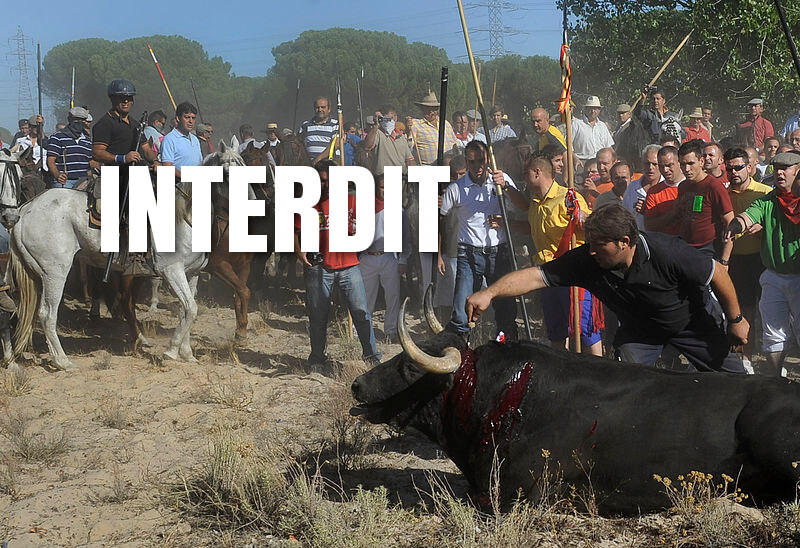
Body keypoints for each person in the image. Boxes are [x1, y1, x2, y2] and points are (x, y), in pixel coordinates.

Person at [467, 204, 749, 373]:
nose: (591, 251)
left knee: (735, 382)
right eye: (590, 244)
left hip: (691, 323)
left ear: (624, 242)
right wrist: (489, 292)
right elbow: (536, 276)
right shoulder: (588, 259)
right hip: (640, 332)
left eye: (599, 245)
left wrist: (736, 320)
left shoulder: (668, 251)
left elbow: (718, 274)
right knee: (628, 387)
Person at [293, 159, 380, 372]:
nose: (327, 185)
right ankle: (316, 358)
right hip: (319, 267)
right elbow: (293, 230)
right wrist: (299, 252)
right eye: (322, 181)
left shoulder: (351, 200)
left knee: (361, 312)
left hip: (349, 266)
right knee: (318, 315)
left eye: (330, 180)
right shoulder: (308, 204)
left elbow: (367, 228)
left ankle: (371, 355)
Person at [726, 151, 800, 377]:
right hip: (773, 276)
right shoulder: (768, 200)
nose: (779, 172)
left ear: (798, 172)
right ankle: (776, 381)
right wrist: (737, 224)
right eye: (776, 167)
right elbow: (749, 215)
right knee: (772, 334)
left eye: (785, 168)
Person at [521, 154, 602, 354]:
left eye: (526, 173)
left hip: (573, 274)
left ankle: (599, 371)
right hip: (547, 275)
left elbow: (594, 226)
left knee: (585, 330)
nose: (524, 177)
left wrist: (580, 215)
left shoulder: (569, 197)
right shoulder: (534, 203)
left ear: (537, 172)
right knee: (556, 330)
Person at [439, 140, 518, 339]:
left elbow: (522, 206)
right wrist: (439, 253)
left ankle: (506, 348)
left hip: (499, 251)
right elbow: (441, 218)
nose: (478, 166)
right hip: (468, 253)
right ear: (466, 162)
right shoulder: (457, 188)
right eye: (472, 162)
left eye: (482, 160)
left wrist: (506, 187)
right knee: (461, 308)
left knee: (505, 307)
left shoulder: (500, 179)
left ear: (489, 159)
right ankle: (459, 351)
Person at [723, 147, 772, 369]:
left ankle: (773, 359)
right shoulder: (724, 193)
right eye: (729, 168)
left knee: (769, 310)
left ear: (750, 168)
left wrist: (763, 226)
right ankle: (745, 358)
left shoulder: (765, 192)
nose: (734, 172)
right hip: (735, 260)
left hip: (762, 259)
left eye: (738, 167)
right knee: (743, 311)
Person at [360, 173, 410, 343]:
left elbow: (405, 237)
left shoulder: (398, 210)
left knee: (393, 295)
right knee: (366, 296)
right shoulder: (365, 207)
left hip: (389, 257)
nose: (385, 191)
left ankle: (390, 330)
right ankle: (362, 330)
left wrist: (403, 259)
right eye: (382, 187)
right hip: (367, 258)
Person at [674, 140, 735, 261]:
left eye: (691, 163)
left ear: (701, 161)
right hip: (686, 247)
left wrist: (724, 260)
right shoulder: (683, 186)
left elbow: (730, 222)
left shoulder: (714, 186)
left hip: (709, 249)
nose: (686, 169)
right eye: (682, 164)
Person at [45, 107, 93, 189]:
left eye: (82, 120)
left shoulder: (88, 141)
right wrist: (58, 175)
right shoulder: (57, 137)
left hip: (84, 181)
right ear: (69, 119)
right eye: (76, 120)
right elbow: (50, 160)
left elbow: (90, 162)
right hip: (65, 181)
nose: (79, 122)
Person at [406, 91, 457, 165]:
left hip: (449, 167)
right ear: (422, 109)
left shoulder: (446, 123)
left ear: (437, 109)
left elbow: (455, 143)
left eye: (434, 109)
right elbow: (409, 146)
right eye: (427, 109)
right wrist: (408, 130)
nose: (431, 112)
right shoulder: (415, 124)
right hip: (428, 167)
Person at [643, 145, 683, 235]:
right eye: (661, 166)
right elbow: (649, 226)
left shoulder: (692, 186)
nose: (665, 170)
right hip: (665, 243)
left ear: (679, 162)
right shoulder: (654, 192)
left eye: (669, 165)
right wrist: (672, 214)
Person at [363, 107, 414, 177]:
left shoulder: (401, 136)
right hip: (383, 179)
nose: (390, 120)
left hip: (402, 179)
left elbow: (409, 160)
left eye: (392, 117)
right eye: (386, 118)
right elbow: (367, 147)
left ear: (396, 118)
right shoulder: (377, 133)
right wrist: (375, 126)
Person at [622, 144, 662, 229]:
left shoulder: (667, 187)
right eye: (647, 163)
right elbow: (625, 216)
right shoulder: (632, 187)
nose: (650, 167)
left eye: (655, 164)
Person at [160, 102, 202, 179]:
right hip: (178, 187)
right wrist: (187, 178)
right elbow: (167, 167)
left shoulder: (195, 139)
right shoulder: (169, 139)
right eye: (187, 117)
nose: (190, 121)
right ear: (178, 118)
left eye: (193, 118)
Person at [571, 96, 614, 162]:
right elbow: (567, 145)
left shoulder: (602, 126)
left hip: (600, 161)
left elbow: (608, 146)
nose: (593, 111)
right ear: (585, 109)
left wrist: (615, 158)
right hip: (581, 161)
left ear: (599, 110)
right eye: (590, 108)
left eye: (595, 109)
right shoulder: (576, 124)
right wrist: (575, 158)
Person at [298, 96, 340, 161]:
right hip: (310, 164)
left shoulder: (335, 124)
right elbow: (299, 144)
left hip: (329, 164)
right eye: (317, 107)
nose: (320, 110)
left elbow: (335, 144)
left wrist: (318, 159)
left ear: (329, 109)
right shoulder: (305, 125)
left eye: (323, 107)